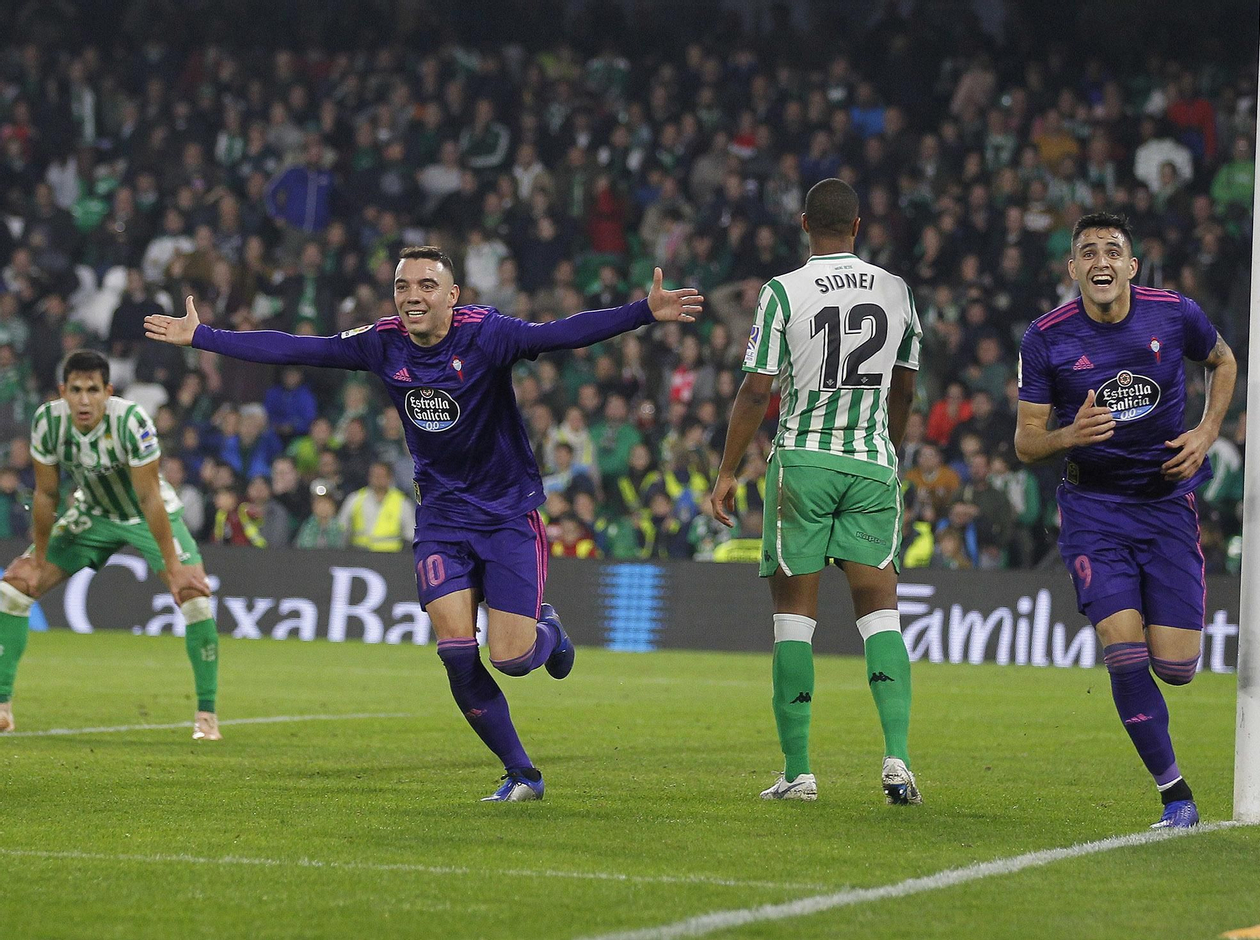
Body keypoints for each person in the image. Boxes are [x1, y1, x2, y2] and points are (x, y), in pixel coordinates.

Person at [146, 246, 701, 800]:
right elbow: (299, 348)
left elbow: (561, 333)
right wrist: (204, 337)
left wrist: (643, 312)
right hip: (441, 518)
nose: (413, 296)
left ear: (453, 296)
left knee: (512, 658)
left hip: (507, 514)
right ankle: (522, 774)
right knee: (457, 654)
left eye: (427, 286)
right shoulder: (381, 341)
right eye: (403, 286)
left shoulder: (487, 334)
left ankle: (548, 633)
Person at [1014, 211, 1237, 829]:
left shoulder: (1175, 313)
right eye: (1088, 252)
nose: (1101, 261)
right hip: (1093, 510)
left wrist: (1207, 431)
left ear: (1132, 267)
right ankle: (1176, 795)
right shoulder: (1046, 337)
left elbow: (1223, 361)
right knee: (1123, 647)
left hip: (1166, 505)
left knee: (1176, 667)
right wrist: (1069, 435)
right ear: (1074, 270)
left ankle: (1158, 683)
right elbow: (1028, 444)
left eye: (1113, 250)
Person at [708, 178, 923, 804]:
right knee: (880, 612)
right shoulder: (897, 291)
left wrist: (727, 471)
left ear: (805, 224)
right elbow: (905, 388)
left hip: (802, 462)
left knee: (794, 621)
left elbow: (756, 390)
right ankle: (898, 759)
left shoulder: (783, 292)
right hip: (870, 464)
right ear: (858, 226)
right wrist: (890, 450)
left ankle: (800, 773)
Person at [0, 350, 218, 738]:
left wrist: (174, 567)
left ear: (108, 391)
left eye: (93, 390)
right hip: (93, 514)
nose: (84, 400)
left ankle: (206, 716)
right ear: (63, 391)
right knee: (15, 589)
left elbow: (150, 497)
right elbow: (47, 495)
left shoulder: (131, 421)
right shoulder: (47, 423)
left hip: (145, 514)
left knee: (195, 597)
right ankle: (2, 707)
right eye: (77, 390)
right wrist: (38, 556)